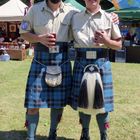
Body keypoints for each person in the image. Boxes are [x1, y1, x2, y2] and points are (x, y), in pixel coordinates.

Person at [20, 0, 119, 140]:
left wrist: (112, 16)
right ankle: (30, 138)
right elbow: (23, 32)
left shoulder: (72, 12)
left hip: (62, 60)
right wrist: (38, 38)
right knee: (33, 102)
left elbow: (91, 16)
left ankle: (52, 134)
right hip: (40, 60)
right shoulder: (34, 10)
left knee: (57, 102)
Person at [71, 0, 122, 140]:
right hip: (81, 62)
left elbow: (118, 45)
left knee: (103, 103)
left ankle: (103, 135)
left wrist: (106, 41)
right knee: (84, 100)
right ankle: (85, 133)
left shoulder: (109, 17)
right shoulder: (74, 17)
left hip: (102, 63)